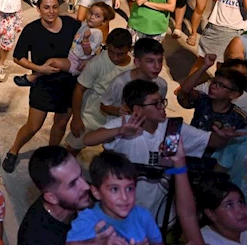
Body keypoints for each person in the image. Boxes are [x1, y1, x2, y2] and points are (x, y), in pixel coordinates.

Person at [84, 79, 236, 226]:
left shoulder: (173, 128)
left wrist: (223, 137)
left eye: (162, 101)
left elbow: (210, 141)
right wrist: (119, 131)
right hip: (124, 214)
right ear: (137, 109)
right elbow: (88, 139)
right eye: (155, 104)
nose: (162, 107)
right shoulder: (124, 124)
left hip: (161, 215)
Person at [4, 0, 81, 173]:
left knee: (61, 123)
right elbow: (18, 57)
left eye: (55, 7)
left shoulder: (71, 24)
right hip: (44, 84)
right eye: (46, 7)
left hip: (69, 84)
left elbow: (88, 36)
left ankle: (50, 156)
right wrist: (39, 69)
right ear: (38, 9)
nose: (51, 12)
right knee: (33, 126)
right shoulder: (31, 30)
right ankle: (13, 150)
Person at [65, 151, 163, 244]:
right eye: (115, 189)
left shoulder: (143, 215)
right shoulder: (87, 220)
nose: (124, 197)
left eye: (129, 189)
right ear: (96, 192)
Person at [66, 28, 134, 154]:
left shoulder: (135, 67)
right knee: (73, 148)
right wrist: (76, 118)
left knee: (114, 153)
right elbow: (79, 89)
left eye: (120, 54)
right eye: (111, 52)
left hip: (118, 117)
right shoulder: (96, 63)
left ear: (129, 49)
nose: (115, 57)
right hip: (91, 115)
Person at [17, 146, 93, 245]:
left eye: (81, 174)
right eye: (73, 183)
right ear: (51, 198)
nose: (86, 186)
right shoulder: (35, 239)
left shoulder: (86, 195)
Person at [177, 56, 247, 132]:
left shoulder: (239, 117)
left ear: (233, 94)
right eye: (213, 82)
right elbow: (185, 90)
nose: (212, 86)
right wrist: (204, 66)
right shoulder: (202, 100)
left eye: (220, 85)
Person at [100, 38, 170, 118]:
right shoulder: (120, 83)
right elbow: (104, 106)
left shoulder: (161, 85)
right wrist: (117, 111)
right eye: (150, 61)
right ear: (137, 62)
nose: (157, 66)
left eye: (160, 61)